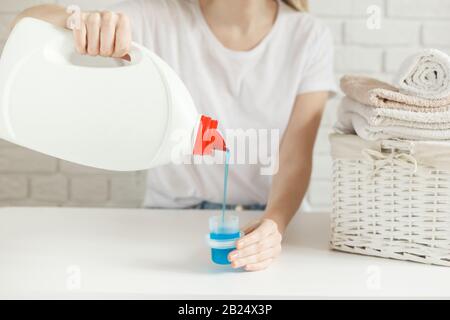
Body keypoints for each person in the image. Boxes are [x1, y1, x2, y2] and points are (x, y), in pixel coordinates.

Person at [13, 0, 336, 271]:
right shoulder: (157, 20)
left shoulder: (308, 36)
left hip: (271, 222)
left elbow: (295, 154)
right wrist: (83, 22)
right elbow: (26, 21)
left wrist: (274, 224)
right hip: (168, 220)